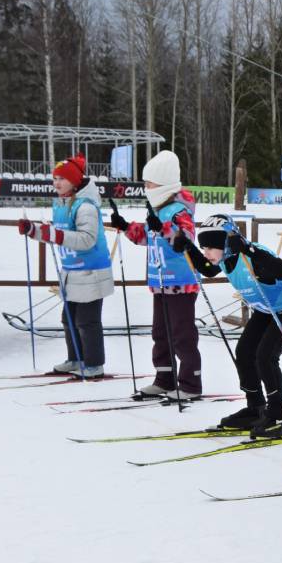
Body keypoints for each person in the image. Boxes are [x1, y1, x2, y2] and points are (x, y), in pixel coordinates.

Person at [176, 216, 282, 438]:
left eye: (210, 247)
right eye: (204, 247)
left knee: (265, 356)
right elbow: (209, 269)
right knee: (244, 352)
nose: (206, 252)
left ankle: (277, 415)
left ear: (226, 243)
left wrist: (250, 250)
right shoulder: (226, 257)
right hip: (267, 308)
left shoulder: (251, 255)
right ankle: (255, 407)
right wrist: (188, 247)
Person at [109, 150, 202, 399]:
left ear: (162, 184)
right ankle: (164, 379)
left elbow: (186, 236)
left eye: (149, 183)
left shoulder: (178, 209)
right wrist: (127, 227)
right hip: (161, 282)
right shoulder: (157, 209)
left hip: (181, 282)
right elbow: (148, 237)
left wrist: (165, 228)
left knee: (182, 335)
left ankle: (191, 384)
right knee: (160, 334)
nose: (146, 188)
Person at [17, 154, 113, 377]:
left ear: (74, 181)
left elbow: (86, 239)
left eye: (62, 178)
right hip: (72, 271)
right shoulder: (61, 204)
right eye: (55, 178)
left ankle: (94, 364)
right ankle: (76, 358)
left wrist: (56, 235)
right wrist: (33, 230)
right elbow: (56, 234)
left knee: (87, 321)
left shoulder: (85, 206)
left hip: (91, 271)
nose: (57, 183)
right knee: (68, 319)